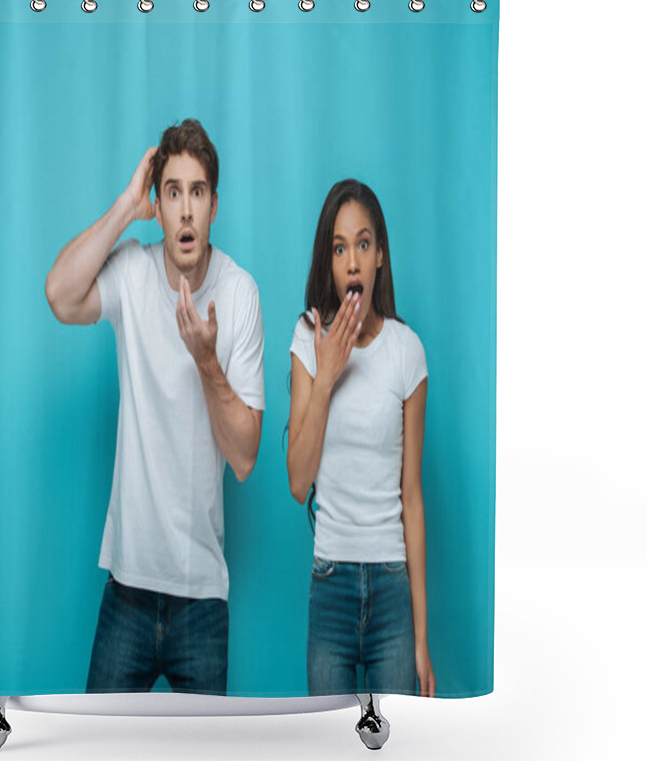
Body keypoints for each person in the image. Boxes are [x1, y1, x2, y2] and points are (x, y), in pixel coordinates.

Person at [45, 119, 265, 695]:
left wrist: (207, 362)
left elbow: (244, 457)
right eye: (172, 192)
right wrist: (124, 207)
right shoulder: (134, 271)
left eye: (197, 192)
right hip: (128, 590)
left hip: (202, 600)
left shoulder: (239, 293)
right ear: (159, 207)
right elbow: (60, 295)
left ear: (214, 205)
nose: (186, 210)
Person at [286, 179, 435, 697]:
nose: (352, 261)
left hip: (393, 589)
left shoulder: (407, 352)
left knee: (393, 747)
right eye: (340, 247)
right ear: (330, 263)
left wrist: (420, 639)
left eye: (363, 245)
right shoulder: (308, 340)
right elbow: (297, 482)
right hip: (330, 586)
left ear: (379, 260)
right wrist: (326, 375)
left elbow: (411, 496)